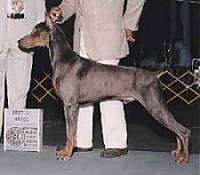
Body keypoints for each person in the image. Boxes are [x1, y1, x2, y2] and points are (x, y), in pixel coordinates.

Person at [49, 0, 145, 158]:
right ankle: (81, 141)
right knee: (80, 93)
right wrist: (60, 12)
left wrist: (129, 24)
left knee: (111, 92)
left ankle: (116, 143)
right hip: (81, 39)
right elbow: (71, 2)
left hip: (108, 37)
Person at [0, 0, 45, 137]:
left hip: (24, 34)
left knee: (20, 88)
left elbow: (39, 8)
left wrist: (36, 37)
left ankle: (15, 135)